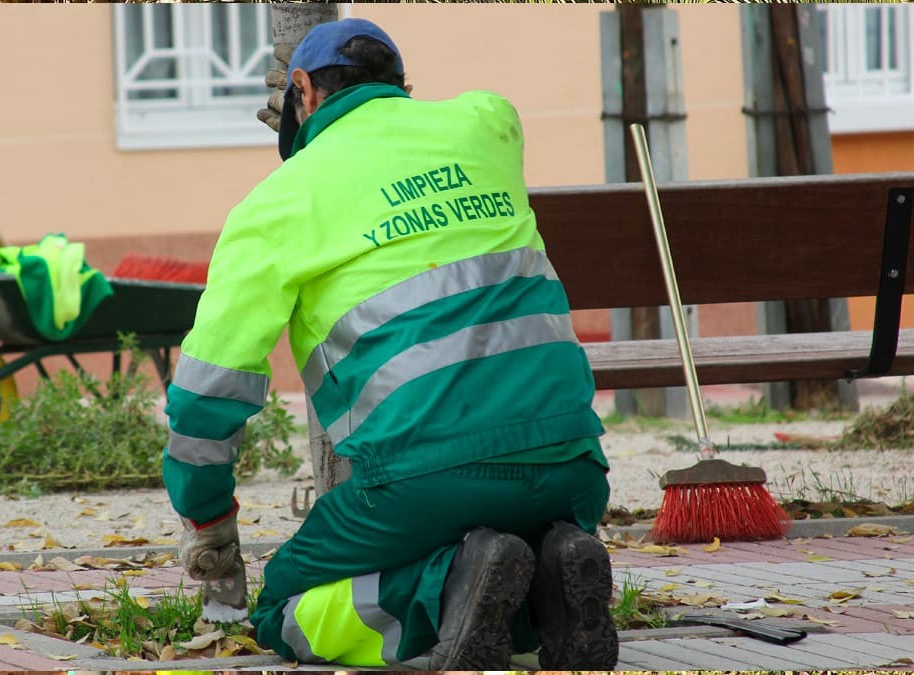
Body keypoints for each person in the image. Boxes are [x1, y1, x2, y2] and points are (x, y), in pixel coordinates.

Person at [164, 16, 617, 670]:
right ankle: (550, 577)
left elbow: (206, 396)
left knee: (286, 607)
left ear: (302, 90)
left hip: (420, 480)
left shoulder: (278, 203)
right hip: (573, 470)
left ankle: (444, 586)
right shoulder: (487, 123)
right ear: (401, 85)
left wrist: (209, 521)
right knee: (503, 555)